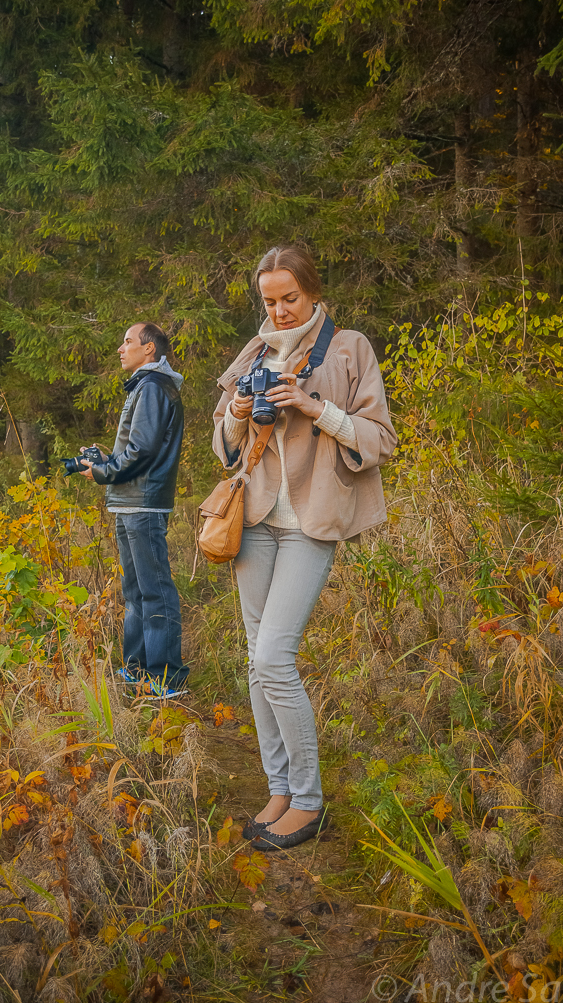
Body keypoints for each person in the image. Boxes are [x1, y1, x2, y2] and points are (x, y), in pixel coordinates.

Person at [211, 246, 397, 850]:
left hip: (312, 522)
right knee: (253, 659)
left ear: (313, 291)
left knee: (273, 659)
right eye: (269, 300)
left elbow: (380, 438)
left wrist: (316, 408)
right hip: (256, 519)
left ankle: (310, 802)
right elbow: (222, 442)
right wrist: (240, 412)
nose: (281, 310)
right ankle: (280, 787)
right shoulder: (254, 354)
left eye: (289, 297)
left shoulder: (350, 349)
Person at [79, 322, 189, 698]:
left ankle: (165, 678)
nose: (120, 348)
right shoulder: (145, 386)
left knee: (154, 590)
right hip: (130, 502)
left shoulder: (154, 387)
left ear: (149, 350)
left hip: (144, 504)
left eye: (127, 341)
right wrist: (108, 461)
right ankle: (137, 670)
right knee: (136, 591)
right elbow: (139, 450)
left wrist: (104, 472)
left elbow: (142, 452)